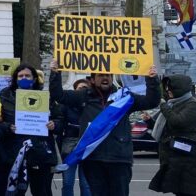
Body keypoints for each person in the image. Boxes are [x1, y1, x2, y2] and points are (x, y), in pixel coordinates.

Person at [49, 60, 160, 196]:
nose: (105, 78)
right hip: (93, 159)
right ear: (93, 80)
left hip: (119, 158)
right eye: (101, 75)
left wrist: (152, 78)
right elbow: (58, 95)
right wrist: (55, 73)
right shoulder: (83, 97)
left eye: (108, 75)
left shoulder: (125, 98)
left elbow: (152, 101)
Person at [0, 64, 58, 196]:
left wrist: (54, 124)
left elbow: (59, 118)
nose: (24, 78)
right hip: (14, 150)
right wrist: (7, 127)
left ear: (34, 79)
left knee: (41, 191)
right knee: (15, 191)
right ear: (16, 79)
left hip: (39, 150)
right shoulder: (5, 97)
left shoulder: (44, 98)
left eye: (27, 75)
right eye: (21, 76)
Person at [149, 74, 196, 196]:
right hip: (176, 157)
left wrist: (163, 106)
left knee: (190, 191)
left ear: (180, 88)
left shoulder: (193, 105)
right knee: (179, 190)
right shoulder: (174, 104)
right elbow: (167, 126)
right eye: (167, 87)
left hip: (190, 158)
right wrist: (149, 121)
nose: (168, 90)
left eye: (170, 87)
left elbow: (178, 122)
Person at [56, 79, 92, 196]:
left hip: (87, 147)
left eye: (86, 89)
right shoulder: (66, 105)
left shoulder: (92, 106)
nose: (83, 91)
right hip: (69, 148)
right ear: (75, 90)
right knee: (67, 183)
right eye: (80, 88)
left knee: (86, 184)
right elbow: (60, 123)